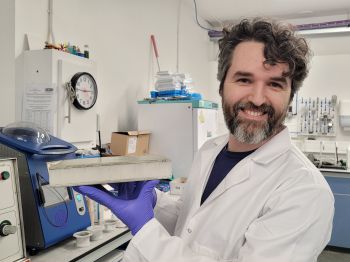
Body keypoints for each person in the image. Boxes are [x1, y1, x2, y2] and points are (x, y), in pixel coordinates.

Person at [75, 18, 334, 261]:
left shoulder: (305, 192)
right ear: (222, 86)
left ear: (290, 97)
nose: (257, 98)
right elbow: (190, 222)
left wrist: (144, 229)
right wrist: (153, 202)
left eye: (275, 84)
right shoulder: (211, 150)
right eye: (244, 79)